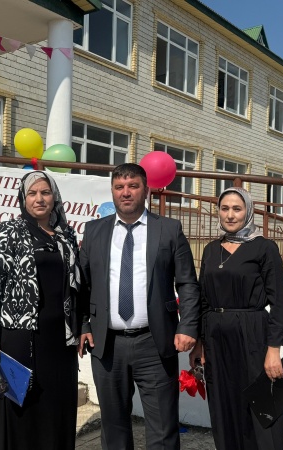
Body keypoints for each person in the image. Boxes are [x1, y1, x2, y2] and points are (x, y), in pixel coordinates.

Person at [78, 163, 200, 450]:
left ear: (146, 190)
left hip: (154, 343)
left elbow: (187, 283)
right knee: (114, 426)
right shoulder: (94, 231)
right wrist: (83, 324)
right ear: (112, 191)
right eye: (119, 187)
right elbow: (82, 284)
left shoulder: (168, 229)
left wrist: (187, 326)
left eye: (133, 186)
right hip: (107, 345)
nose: (126, 192)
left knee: (163, 428)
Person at [0, 170, 82, 450]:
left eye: (45, 193)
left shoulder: (66, 235)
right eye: (32, 193)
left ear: (54, 197)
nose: (39, 199)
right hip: (21, 337)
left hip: (60, 340)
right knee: (21, 409)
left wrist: (82, 325)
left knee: (57, 406)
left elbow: (77, 285)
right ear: (23, 198)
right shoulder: (9, 231)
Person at [190, 186, 283, 450]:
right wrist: (200, 343)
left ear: (248, 211)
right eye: (224, 208)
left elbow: (279, 302)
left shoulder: (264, 248)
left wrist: (273, 350)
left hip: (252, 335)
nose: (230, 215)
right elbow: (204, 299)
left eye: (237, 208)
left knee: (261, 407)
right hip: (216, 339)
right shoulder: (211, 249)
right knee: (223, 405)